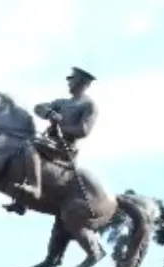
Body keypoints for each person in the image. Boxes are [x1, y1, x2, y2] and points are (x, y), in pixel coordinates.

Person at [6, 66, 97, 214]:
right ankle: (21, 200)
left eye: (71, 78)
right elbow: (38, 107)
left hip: (65, 146)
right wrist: (48, 113)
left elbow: (83, 130)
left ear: (81, 82)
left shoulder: (88, 105)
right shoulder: (62, 102)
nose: (68, 81)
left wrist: (60, 126)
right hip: (50, 141)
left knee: (30, 145)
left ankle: (35, 187)